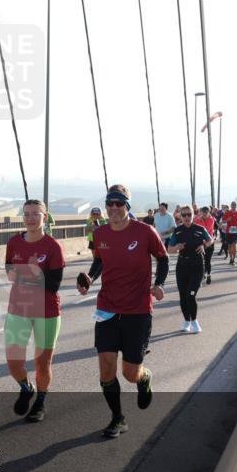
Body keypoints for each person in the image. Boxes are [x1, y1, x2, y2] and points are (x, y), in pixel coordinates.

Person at [75, 185, 168, 439]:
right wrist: (89, 279)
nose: (114, 208)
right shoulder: (101, 232)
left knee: (130, 374)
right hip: (107, 309)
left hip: (138, 311)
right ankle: (117, 418)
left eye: (119, 203)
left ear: (127, 206)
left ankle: (144, 377)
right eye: (110, 204)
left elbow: (163, 258)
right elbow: (99, 261)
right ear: (106, 206)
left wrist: (158, 284)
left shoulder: (145, 232)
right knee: (106, 369)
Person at [4, 200, 65, 422]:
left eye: (35, 214)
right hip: (18, 308)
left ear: (45, 217)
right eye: (26, 214)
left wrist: (27, 275)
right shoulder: (13, 243)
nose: (30, 218)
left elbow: (54, 284)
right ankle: (25, 387)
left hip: (47, 311)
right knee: (13, 361)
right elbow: (10, 274)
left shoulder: (53, 247)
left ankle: (40, 401)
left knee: (42, 362)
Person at [169, 206, 212, 333]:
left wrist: (204, 245)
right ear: (180, 217)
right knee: (183, 296)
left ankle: (194, 321)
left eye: (189, 214)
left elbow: (210, 239)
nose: (187, 217)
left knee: (190, 294)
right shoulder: (177, 231)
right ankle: (186, 321)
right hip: (182, 265)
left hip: (197, 265)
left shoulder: (200, 229)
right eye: (184, 215)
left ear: (194, 215)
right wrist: (177, 247)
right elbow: (169, 250)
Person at [196, 206, 217, 284]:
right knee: (201, 260)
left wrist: (201, 220)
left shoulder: (211, 219)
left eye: (206, 212)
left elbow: (206, 230)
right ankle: (203, 274)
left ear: (209, 213)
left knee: (207, 260)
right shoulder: (198, 220)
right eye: (203, 212)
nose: (204, 214)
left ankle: (208, 275)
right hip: (201, 243)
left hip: (209, 242)